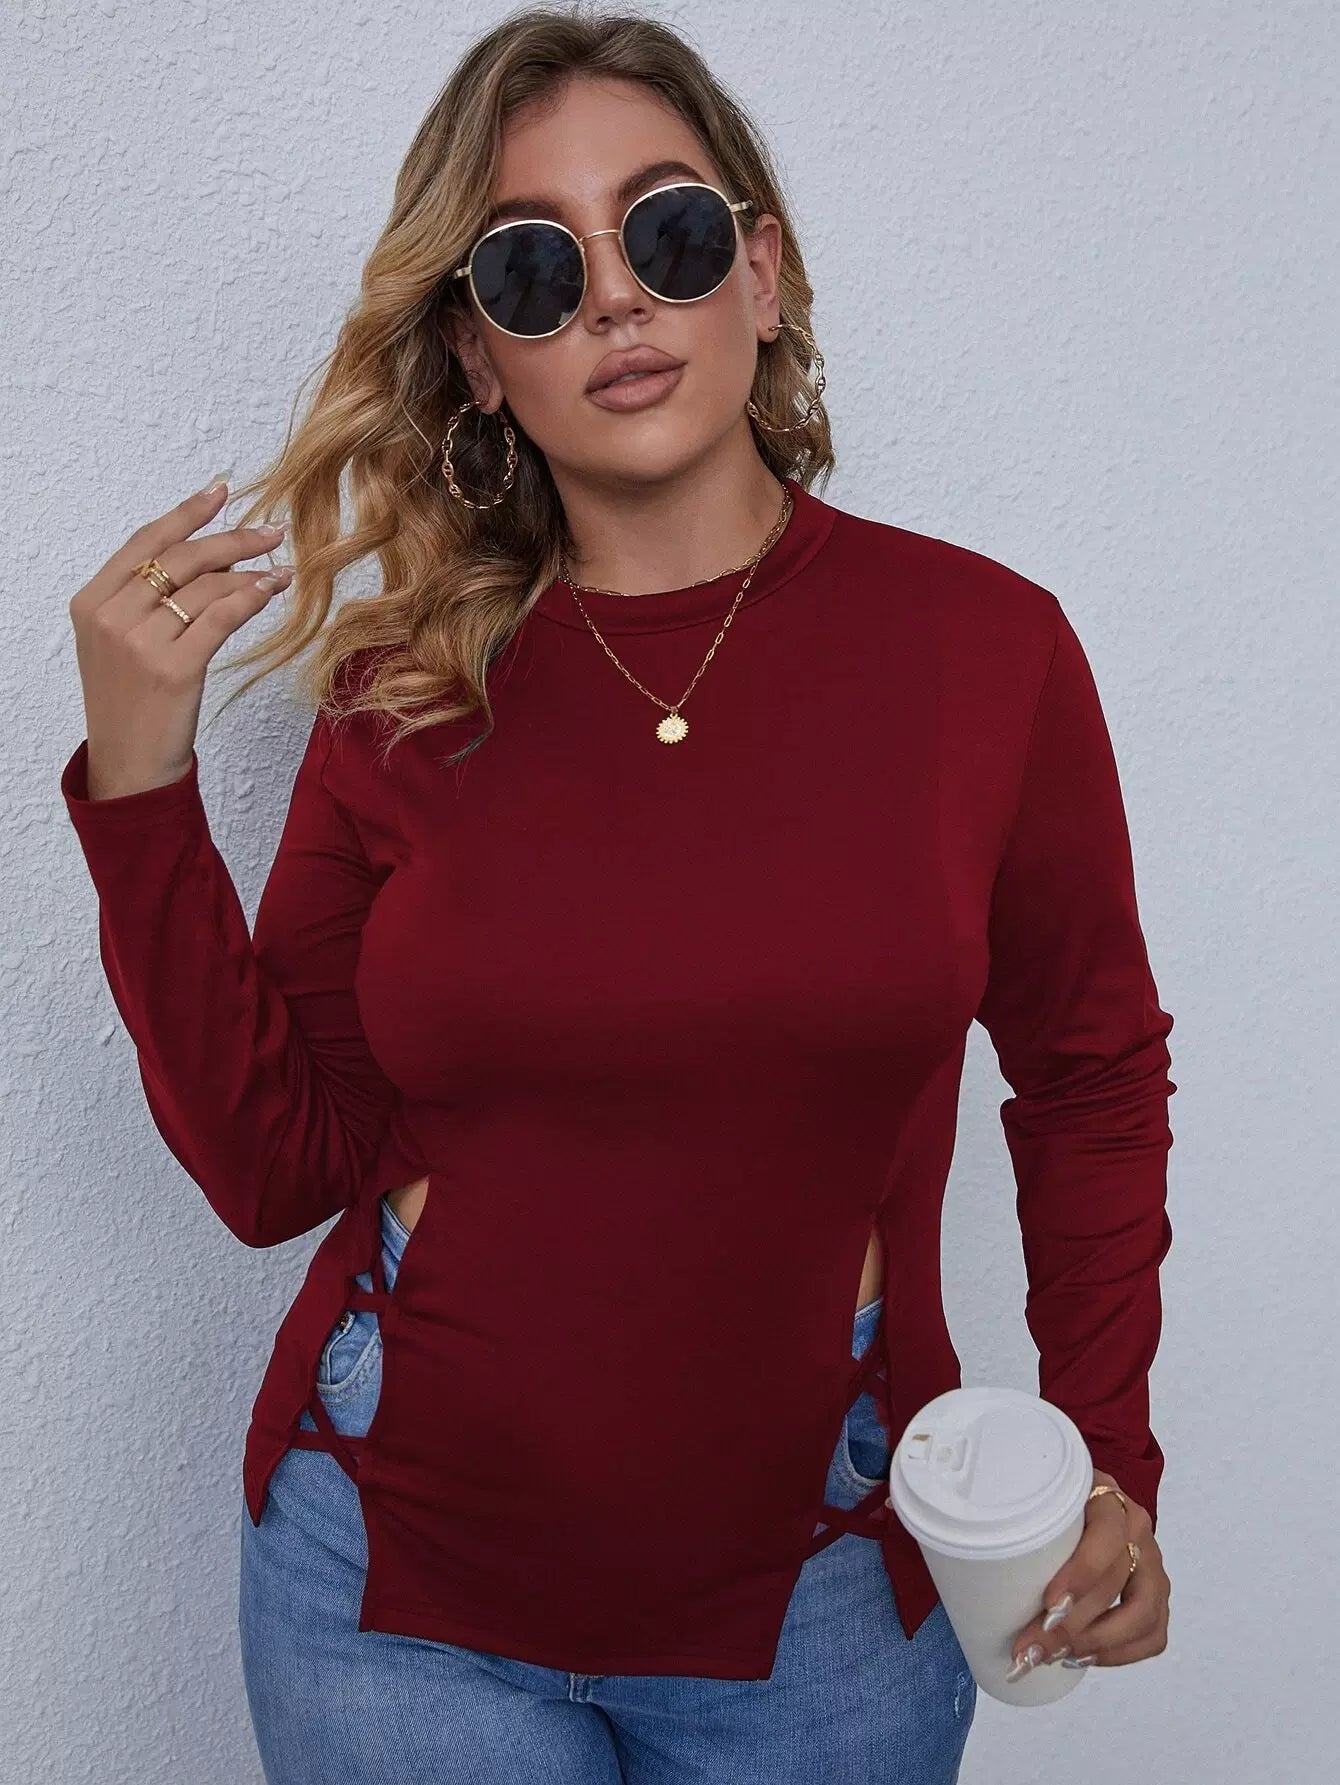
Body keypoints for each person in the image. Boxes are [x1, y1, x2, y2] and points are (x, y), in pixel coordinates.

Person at [59, 7, 1175, 1781]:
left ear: (762, 274)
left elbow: (1092, 1074)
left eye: (667, 232)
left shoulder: (985, 654)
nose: (617, 301)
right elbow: (275, 1168)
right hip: (391, 1586)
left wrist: (1105, 1448)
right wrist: (138, 786)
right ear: (479, 356)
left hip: (821, 1596)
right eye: (535, 266)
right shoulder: (400, 693)